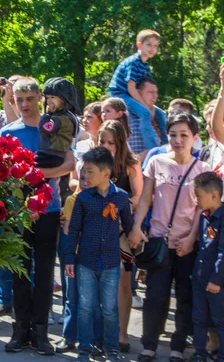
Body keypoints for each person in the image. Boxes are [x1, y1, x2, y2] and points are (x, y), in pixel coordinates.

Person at [0, 76, 75, 355]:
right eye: (19, 100)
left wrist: (39, 175)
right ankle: (20, 329)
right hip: (18, 212)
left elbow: (69, 163)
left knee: (44, 273)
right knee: (18, 272)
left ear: (39, 99)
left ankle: (41, 331)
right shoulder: (8, 131)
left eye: (30, 99)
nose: (25, 105)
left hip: (49, 209)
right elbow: (2, 173)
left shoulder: (51, 127)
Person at [129, 111, 210, 362]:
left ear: (195, 137)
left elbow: (201, 209)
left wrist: (191, 238)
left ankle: (177, 346)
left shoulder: (203, 169)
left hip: (187, 243)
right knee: (155, 294)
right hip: (159, 240)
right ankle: (149, 345)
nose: (178, 140)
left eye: (184, 135)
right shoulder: (156, 161)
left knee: (185, 296)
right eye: (173, 134)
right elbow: (145, 198)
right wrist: (136, 226)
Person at [65, 147, 133, 362]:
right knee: (86, 307)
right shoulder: (83, 198)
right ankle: (84, 349)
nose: (84, 176)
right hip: (85, 260)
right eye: (83, 171)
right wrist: (69, 259)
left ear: (106, 173)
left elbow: (129, 225)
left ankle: (111, 349)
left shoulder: (121, 198)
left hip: (112, 262)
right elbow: (73, 230)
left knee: (110, 308)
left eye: (90, 171)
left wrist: (137, 236)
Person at [97, 120, 143, 352]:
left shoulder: (130, 165)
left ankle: (122, 334)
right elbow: (78, 186)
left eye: (111, 143)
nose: (105, 146)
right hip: (94, 230)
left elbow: (141, 196)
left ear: (121, 143)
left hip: (121, 231)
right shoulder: (92, 161)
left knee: (122, 285)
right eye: (101, 141)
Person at [56, 171, 104, 355]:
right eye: (81, 178)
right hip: (75, 257)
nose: (85, 182)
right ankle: (69, 337)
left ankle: (97, 340)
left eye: (89, 177)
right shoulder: (71, 201)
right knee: (72, 298)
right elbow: (68, 232)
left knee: (93, 301)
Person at [108, 29, 166, 151]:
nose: (152, 49)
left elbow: (144, 86)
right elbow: (131, 87)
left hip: (130, 95)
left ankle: (165, 145)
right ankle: (152, 148)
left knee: (161, 114)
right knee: (144, 112)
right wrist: (145, 106)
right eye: (149, 44)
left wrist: (151, 106)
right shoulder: (133, 62)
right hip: (120, 95)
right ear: (139, 45)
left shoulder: (145, 66)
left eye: (155, 46)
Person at [190, 172, 224, 362]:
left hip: (216, 281)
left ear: (213, 195)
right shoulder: (205, 216)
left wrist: (217, 279)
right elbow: (203, 245)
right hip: (200, 277)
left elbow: (222, 252)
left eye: (199, 196)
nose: (196, 200)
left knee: (220, 320)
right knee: (199, 318)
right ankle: (199, 352)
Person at [36, 77, 80, 168]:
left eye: (53, 97)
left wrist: (47, 114)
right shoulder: (58, 116)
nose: (49, 101)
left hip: (53, 156)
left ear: (64, 99)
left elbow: (44, 128)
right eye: (47, 98)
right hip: (49, 154)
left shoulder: (63, 119)